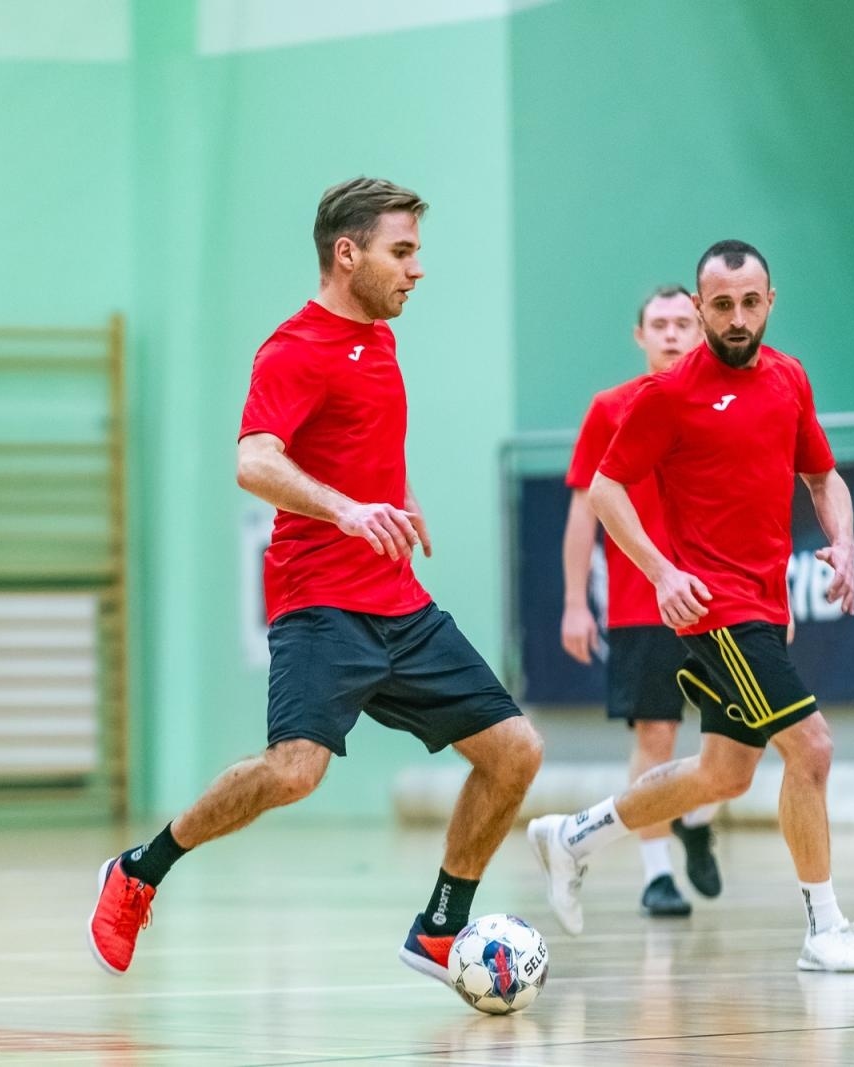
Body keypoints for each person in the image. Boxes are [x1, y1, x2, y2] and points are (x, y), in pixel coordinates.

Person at [87, 177, 544, 984]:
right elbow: (254, 460)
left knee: (513, 752)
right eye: (402, 252)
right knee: (294, 772)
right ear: (348, 253)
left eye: (416, 253)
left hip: (399, 602)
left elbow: (355, 442)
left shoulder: (382, 337)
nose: (417, 270)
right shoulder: (292, 349)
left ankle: (441, 928)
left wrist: (396, 500)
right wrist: (347, 510)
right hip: (322, 605)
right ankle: (139, 868)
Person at [528, 240, 854, 972]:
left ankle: (572, 836)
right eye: (720, 305)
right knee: (812, 748)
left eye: (749, 303)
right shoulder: (666, 396)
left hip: (767, 603)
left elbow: (823, 477)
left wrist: (844, 542)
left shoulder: (789, 378)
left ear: (769, 302)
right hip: (715, 608)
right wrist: (661, 571)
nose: (736, 318)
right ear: (699, 309)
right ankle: (824, 928)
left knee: (723, 774)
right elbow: (604, 489)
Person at [561, 284, 723, 918]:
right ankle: (657, 874)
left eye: (684, 322)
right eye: (660, 323)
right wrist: (576, 602)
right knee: (656, 732)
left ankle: (698, 816)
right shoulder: (611, 408)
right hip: (640, 604)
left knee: (738, 739)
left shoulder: (727, 401)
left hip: (721, 599)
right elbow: (583, 510)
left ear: (703, 328)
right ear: (640, 335)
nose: (673, 334)